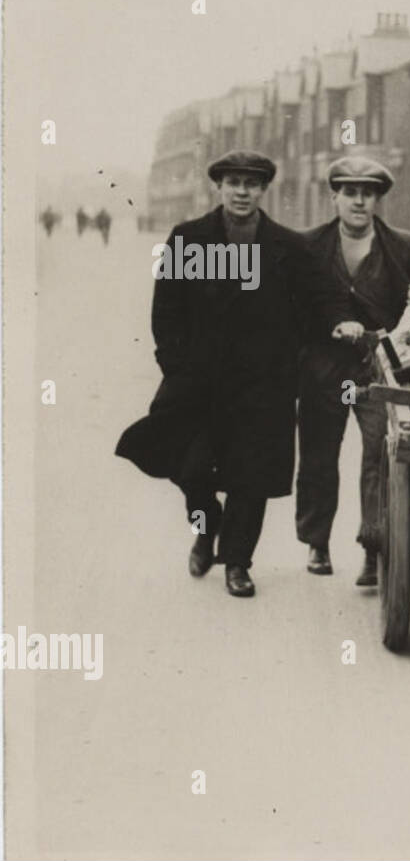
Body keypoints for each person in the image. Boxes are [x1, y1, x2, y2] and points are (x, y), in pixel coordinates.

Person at [116, 150, 363, 597]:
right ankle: (205, 524)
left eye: (251, 184)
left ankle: (237, 563)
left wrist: (340, 321)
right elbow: (166, 309)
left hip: (263, 384)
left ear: (263, 189)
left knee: (251, 475)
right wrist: (174, 364)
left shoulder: (289, 247)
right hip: (198, 382)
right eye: (234, 183)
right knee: (189, 465)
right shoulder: (189, 239)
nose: (242, 192)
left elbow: (324, 296)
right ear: (220, 187)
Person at [296, 157, 410, 585]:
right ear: (334, 196)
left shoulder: (403, 247)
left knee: (381, 453)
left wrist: (396, 339)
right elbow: (292, 307)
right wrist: (330, 326)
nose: (359, 201)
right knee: (320, 453)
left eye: (368, 193)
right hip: (326, 368)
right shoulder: (309, 246)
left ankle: (374, 548)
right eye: (350, 192)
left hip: (379, 370)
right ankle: (317, 541)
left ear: (377, 199)